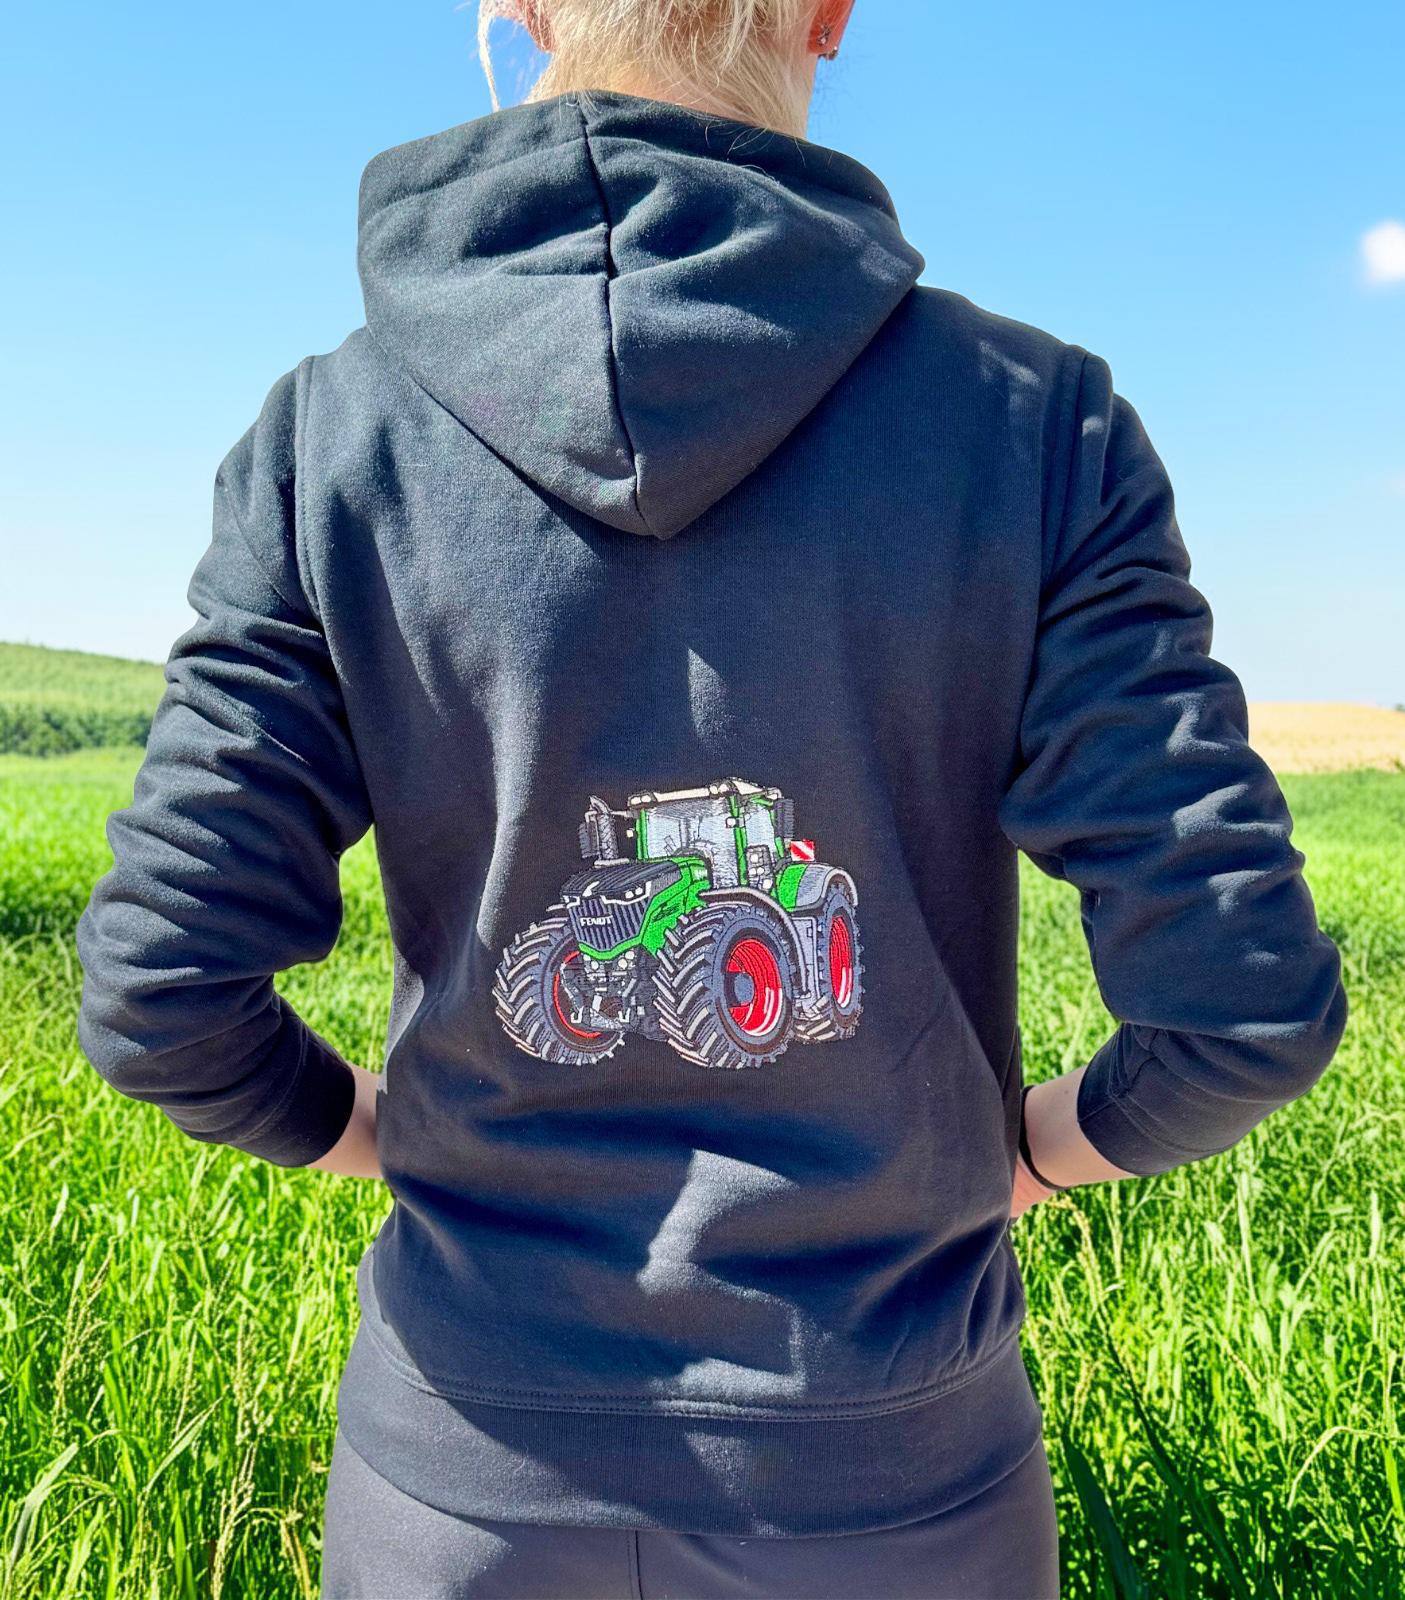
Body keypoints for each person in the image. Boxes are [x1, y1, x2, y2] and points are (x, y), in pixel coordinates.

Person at [75, 1, 1348, 1595]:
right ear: (831, 16)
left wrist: (375, 1138)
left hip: (458, 1474)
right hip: (895, 1483)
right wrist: (1030, 1153)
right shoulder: (1034, 426)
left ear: (521, 9)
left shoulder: (328, 442)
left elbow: (160, 994)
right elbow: (1243, 1010)